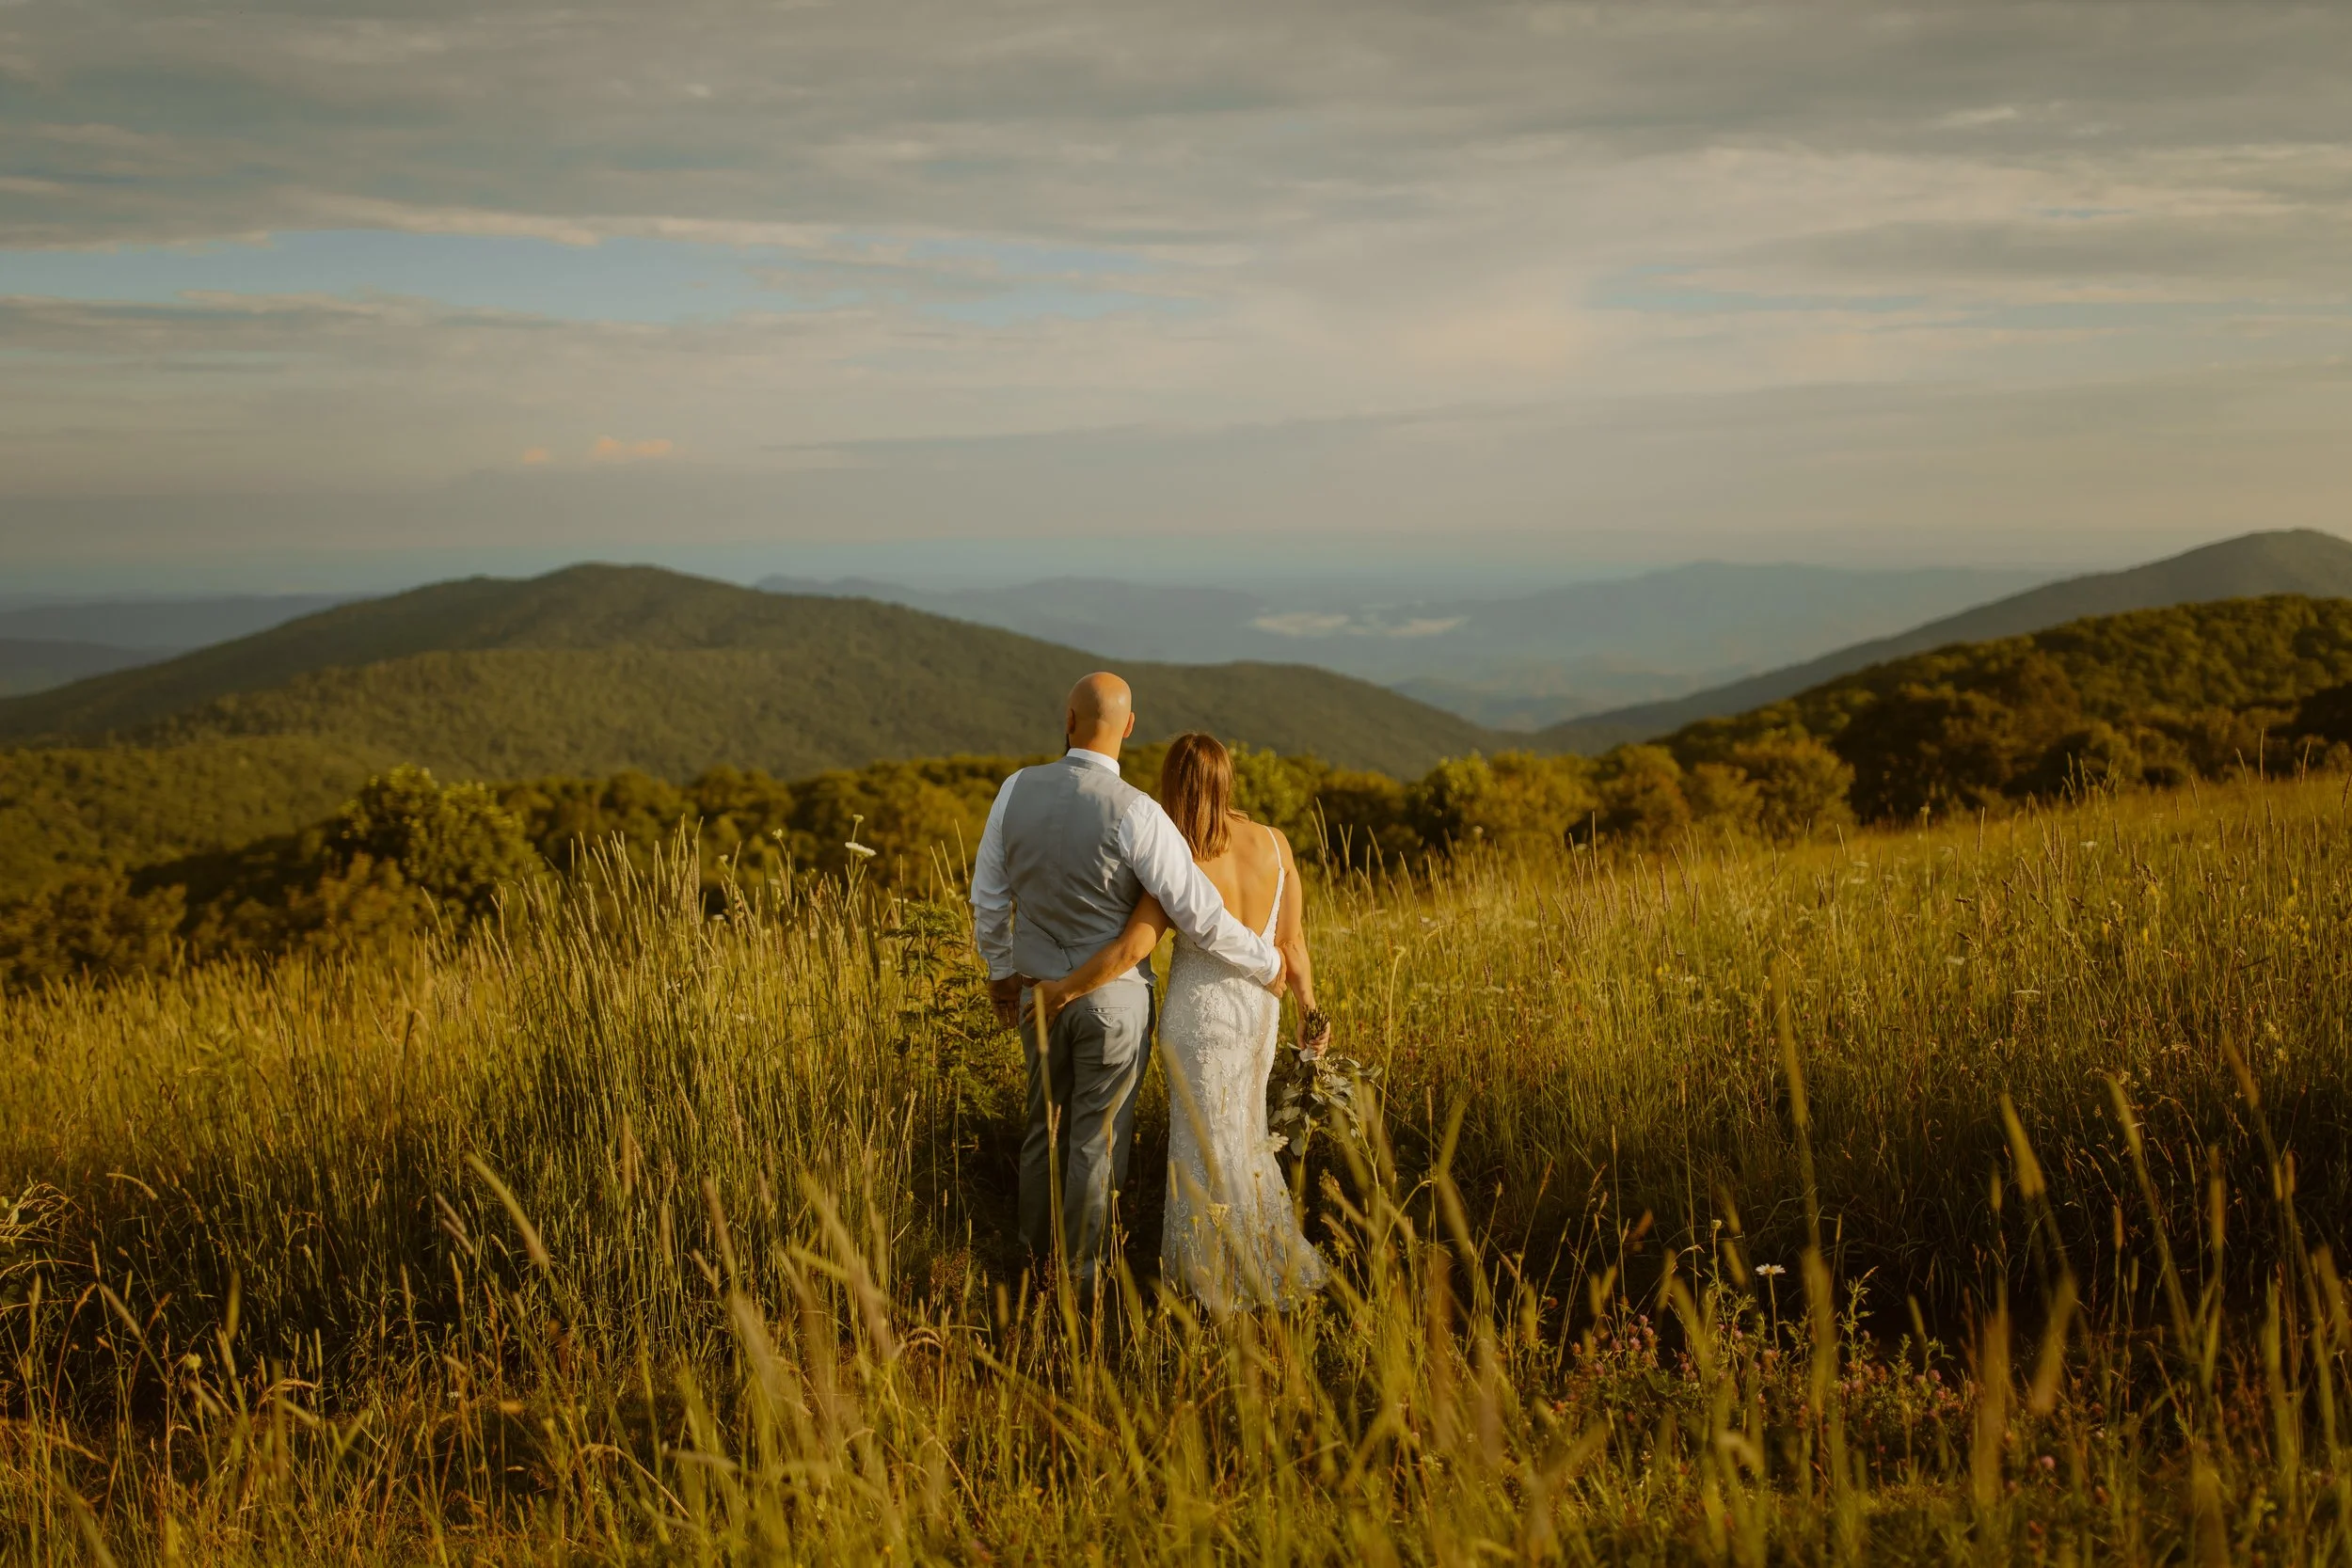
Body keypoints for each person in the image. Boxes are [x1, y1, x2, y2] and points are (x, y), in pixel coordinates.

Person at [970, 675, 1285, 1294]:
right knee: (1096, 1137)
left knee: (1044, 1128)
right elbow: (1202, 915)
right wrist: (1267, 961)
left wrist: (1001, 976)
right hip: (1114, 1006)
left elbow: (988, 898)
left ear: (1068, 718)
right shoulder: (1140, 812)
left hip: (1037, 997)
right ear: (1130, 726)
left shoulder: (1013, 791)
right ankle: (1083, 1278)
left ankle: (1035, 1261)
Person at [1033, 732, 1329, 1311]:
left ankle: (1214, 1281)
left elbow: (1129, 950)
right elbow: (1292, 944)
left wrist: (1063, 991)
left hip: (1197, 1020)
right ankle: (1264, 1263)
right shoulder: (1276, 843)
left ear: (1172, 786)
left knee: (1202, 1146)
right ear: (1227, 780)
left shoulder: (1180, 857)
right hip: (1258, 1014)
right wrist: (1310, 1011)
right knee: (1243, 1139)